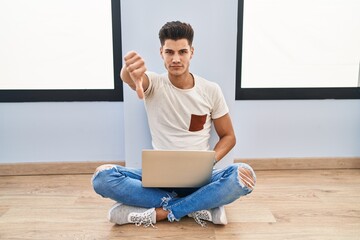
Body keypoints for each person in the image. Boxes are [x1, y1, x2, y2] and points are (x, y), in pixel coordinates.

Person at [92, 21, 256, 227]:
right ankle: (199, 206)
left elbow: (229, 136)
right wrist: (128, 71)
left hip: (201, 179)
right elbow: (135, 79)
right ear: (161, 53)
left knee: (244, 174)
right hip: (159, 179)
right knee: (102, 178)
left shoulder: (210, 90)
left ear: (191, 52)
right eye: (169, 52)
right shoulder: (154, 83)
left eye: (182, 52)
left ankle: (160, 212)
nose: (176, 58)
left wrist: (210, 161)